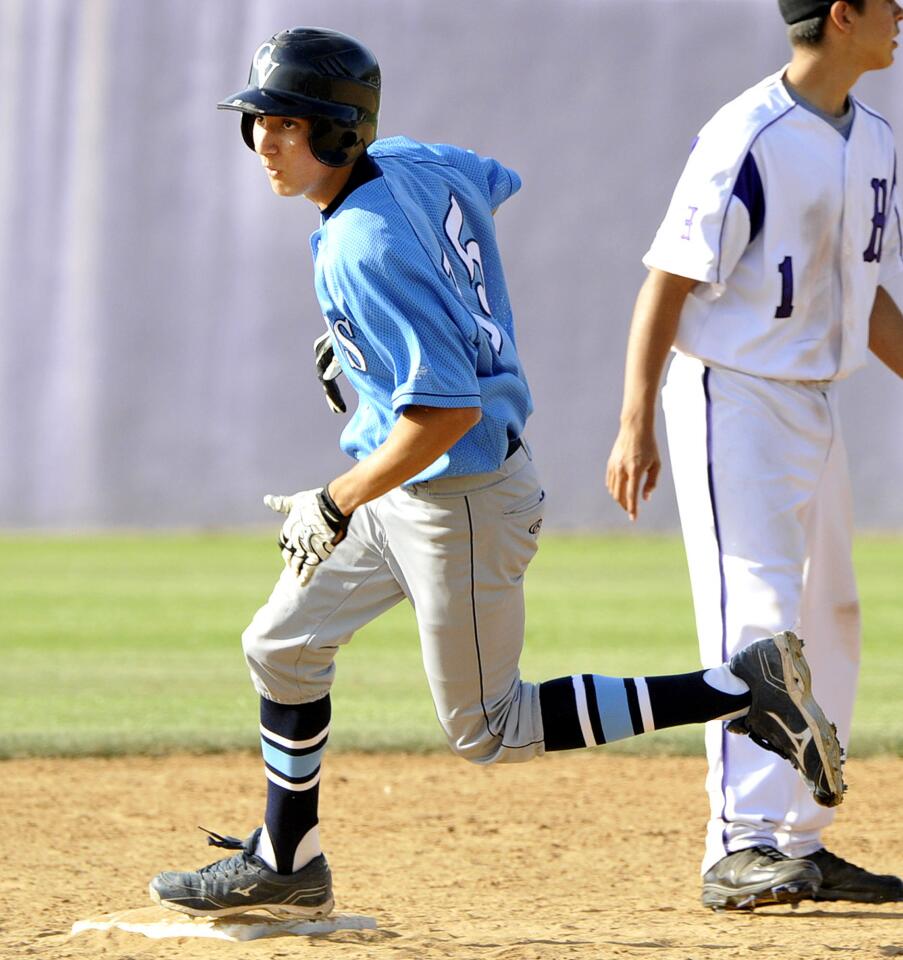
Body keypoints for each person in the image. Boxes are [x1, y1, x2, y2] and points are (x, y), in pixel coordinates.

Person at [148, 27, 844, 920]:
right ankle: (288, 860)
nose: (265, 145)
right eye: (257, 123)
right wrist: (384, 344)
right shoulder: (411, 161)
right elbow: (489, 177)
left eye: (288, 124)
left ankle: (741, 685)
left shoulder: (365, 246)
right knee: (279, 644)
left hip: (460, 500)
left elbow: (446, 414)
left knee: (491, 730)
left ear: (338, 132)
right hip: (408, 487)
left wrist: (332, 497)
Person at [607, 0, 903, 911]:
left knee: (833, 613)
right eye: (886, 0)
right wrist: (633, 420)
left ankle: (797, 841)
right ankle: (738, 841)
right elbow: (669, 278)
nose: (901, 14)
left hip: (814, 398)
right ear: (841, 15)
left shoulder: (876, 135)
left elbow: (865, 294)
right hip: (729, 394)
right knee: (759, 613)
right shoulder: (746, 134)